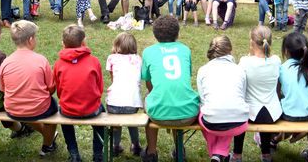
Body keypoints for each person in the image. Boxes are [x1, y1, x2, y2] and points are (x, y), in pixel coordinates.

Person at [140, 16, 199, 162]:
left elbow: (148, 83)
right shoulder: (185, 50)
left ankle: (151, 152)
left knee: (150, 97)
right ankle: (180, 150)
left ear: (155, 34)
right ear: (177, 34)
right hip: (188, 112)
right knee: (176, 95)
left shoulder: (148, 52)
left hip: (158, 113)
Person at [0, 20, 59, 156]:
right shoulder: (41, 60)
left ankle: (46, 136)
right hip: (38, 109)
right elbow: (51, 89)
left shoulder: (6, 62)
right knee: (52, 106)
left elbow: (3, 89)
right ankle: (47, 146)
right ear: (31, 39)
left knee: (28, 108)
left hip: (12, 109)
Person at [53, 24, 104, 162]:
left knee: (63, 115)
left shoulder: (58, 64)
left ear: (63, 43)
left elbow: (59, 90)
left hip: (68, 110)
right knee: (102, 112)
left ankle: (74, 153)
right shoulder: (94, 61)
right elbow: (100, 88)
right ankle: (98, 154)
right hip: (92, 109)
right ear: (84, 42)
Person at [232, 26, 281, 162]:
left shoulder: (245, 62)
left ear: (252, 42)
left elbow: (239, 85)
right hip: (273, 113)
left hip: (250, 113)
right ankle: (266, 154)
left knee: (240, 113)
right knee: (260, 112)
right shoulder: (276, 60)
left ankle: (237, 155)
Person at [197, 35, 249, 162]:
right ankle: (219, 153)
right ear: (230, 50)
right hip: (239, 122)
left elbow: (203, 100)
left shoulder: (203, 70)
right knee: (228, 111)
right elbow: (243, 95)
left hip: (212, 122)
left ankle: (217, 153)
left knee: (205, 112)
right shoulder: (240, 70)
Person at [275, 32, 308, 161]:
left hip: (289, 115)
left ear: (286, 51)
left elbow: (277, 95)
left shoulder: (281, 68)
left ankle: (275, 139)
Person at [106, 32, 143, 157]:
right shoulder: (138, 59)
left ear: (117, 45)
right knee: (132, 122)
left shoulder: (111, 58)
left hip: (113, 103)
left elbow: (113, 79)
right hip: (132, 103)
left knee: (116, 123)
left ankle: (115, 146)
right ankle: (136, 145)